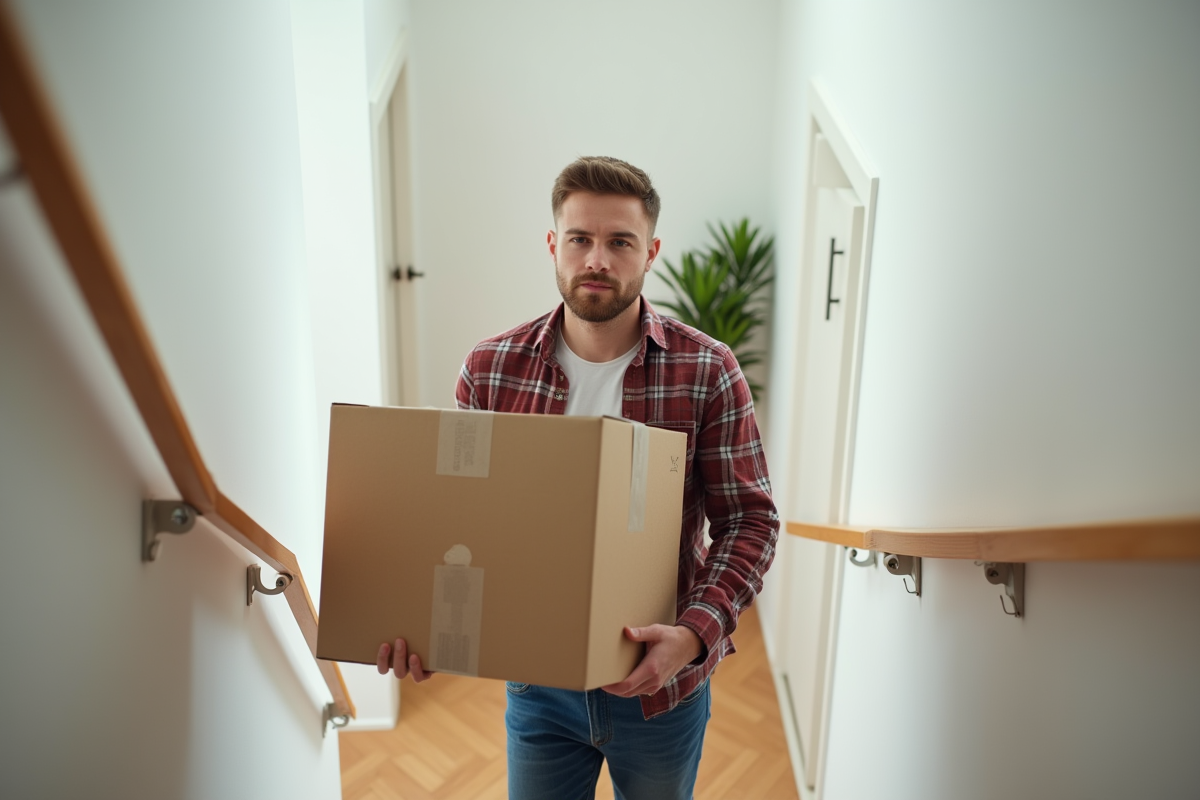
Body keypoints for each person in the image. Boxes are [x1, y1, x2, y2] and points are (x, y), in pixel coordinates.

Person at [378, 156, 779, 800]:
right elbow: (458, 522)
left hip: (661, 686)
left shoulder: (708, 370)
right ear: (553, 246)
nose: (597, 258)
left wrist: (695, 634)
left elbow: (751, 523)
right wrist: (422, 627)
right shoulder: (491, 369)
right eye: (579, 239)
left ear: (649, 252)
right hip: (538, 687)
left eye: (619, 242)